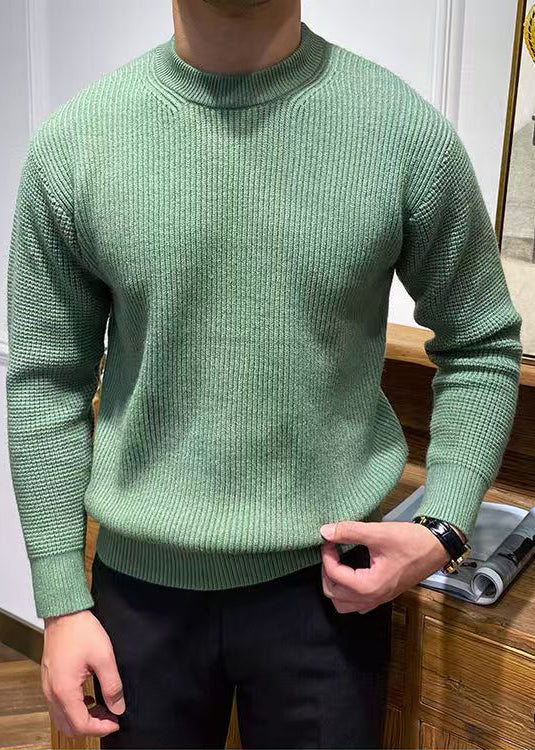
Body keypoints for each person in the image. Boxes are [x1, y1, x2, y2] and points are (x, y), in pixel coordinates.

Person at [5, 0, 523, 748]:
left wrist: (443, 523)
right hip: (138, 600)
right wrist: (59, 597)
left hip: (332, 594)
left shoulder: (402, 134)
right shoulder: (76, 146)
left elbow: (481, 342)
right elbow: (46, 381)